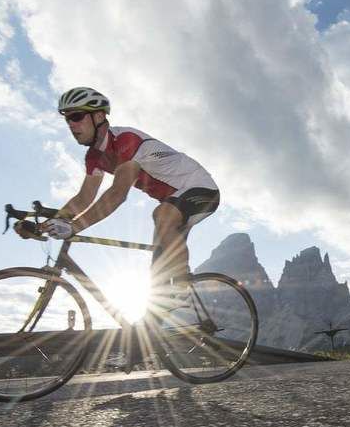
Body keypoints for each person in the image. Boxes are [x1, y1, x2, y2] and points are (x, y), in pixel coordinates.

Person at [17, 87, 219, 315]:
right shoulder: (94, 156)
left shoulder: (126, 140)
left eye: (76, 116)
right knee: (157, 283)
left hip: (202, 190)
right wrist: (44, 226)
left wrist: (74, 226)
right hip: (173, 202)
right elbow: (84, 198)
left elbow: (117, 194)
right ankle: (154, 340)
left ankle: (182, 289)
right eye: (68, 119)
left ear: (99, 116)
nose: (71, 125)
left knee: (161, 215)